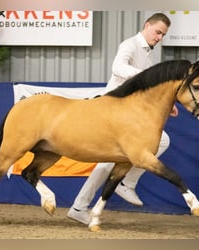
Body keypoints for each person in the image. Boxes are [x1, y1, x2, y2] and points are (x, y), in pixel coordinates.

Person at [67, 12, 177, 225]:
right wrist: (146, 77)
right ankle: (117, 187)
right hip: (111, 108)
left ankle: (85, 204)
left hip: (126, 114)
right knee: (112, 160)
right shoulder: (129, 45)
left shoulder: (149, 57)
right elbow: (117, 67)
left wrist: (169, 105)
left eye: (163, 35)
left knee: (158, 141)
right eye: (158, 32)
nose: (159, 37)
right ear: (147, 26)